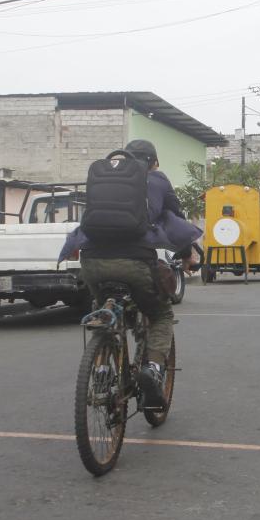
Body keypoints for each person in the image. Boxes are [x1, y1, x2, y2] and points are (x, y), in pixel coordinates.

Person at [60, 139, 199, 408]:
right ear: (154, 162)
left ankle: (101, 371)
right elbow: (175, 220)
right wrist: (186, 256)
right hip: (134, 261)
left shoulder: (104, 182)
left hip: (92, 261)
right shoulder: (158, 180)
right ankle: (154, 370)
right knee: (161, 315)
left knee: (103, 308)